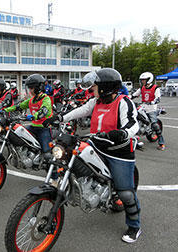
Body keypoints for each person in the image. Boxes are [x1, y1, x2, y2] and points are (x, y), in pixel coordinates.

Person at [44, 68, 142, 243]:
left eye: (95, 86)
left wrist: (123, 133)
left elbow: (133, 124)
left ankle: (134, 225)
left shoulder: (123, 102)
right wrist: (59, 117)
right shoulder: (96, 101)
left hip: (119, 151)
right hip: (96, 144)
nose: (92, 89)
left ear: (105, 87)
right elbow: (80, 111)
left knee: (126, 193)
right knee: (69, 153)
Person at [2, 74, 58, 182]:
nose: (30, 90)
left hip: (44, 128)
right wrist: (5, 110)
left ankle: (55, 179)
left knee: (47, 155)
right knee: (17, 132)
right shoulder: (32, 100)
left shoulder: (46, 99)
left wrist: (33, 116)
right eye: (29, 88)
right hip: (33, 126)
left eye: (31, 88)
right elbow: (19, 106)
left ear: (37, 87)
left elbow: (43, 111)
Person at [130, 72, 165, 150]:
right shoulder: (142, 88)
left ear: (149, 80)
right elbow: (134, 95)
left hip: (151, 108)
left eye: (144, 80)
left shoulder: (156, 88)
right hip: (143, 106)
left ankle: (161, 143)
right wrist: (127, 97)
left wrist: (152, 102)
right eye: (142, 80)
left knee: (155, 125)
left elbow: (158, 98)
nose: (142, 81)